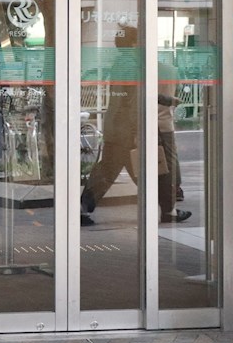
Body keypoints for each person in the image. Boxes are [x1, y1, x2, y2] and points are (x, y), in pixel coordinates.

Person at [80, 27, 190, 225]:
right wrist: (137, 132)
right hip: (128, 130)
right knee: (157, 170)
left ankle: (82, 209)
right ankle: (168, 210)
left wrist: (166, 100)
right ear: (134, 43)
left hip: (117, 127)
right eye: (142, 40)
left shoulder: (122, 64)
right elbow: (134, 101)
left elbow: (138, 93)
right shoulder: (132, 66)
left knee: (108, 171)